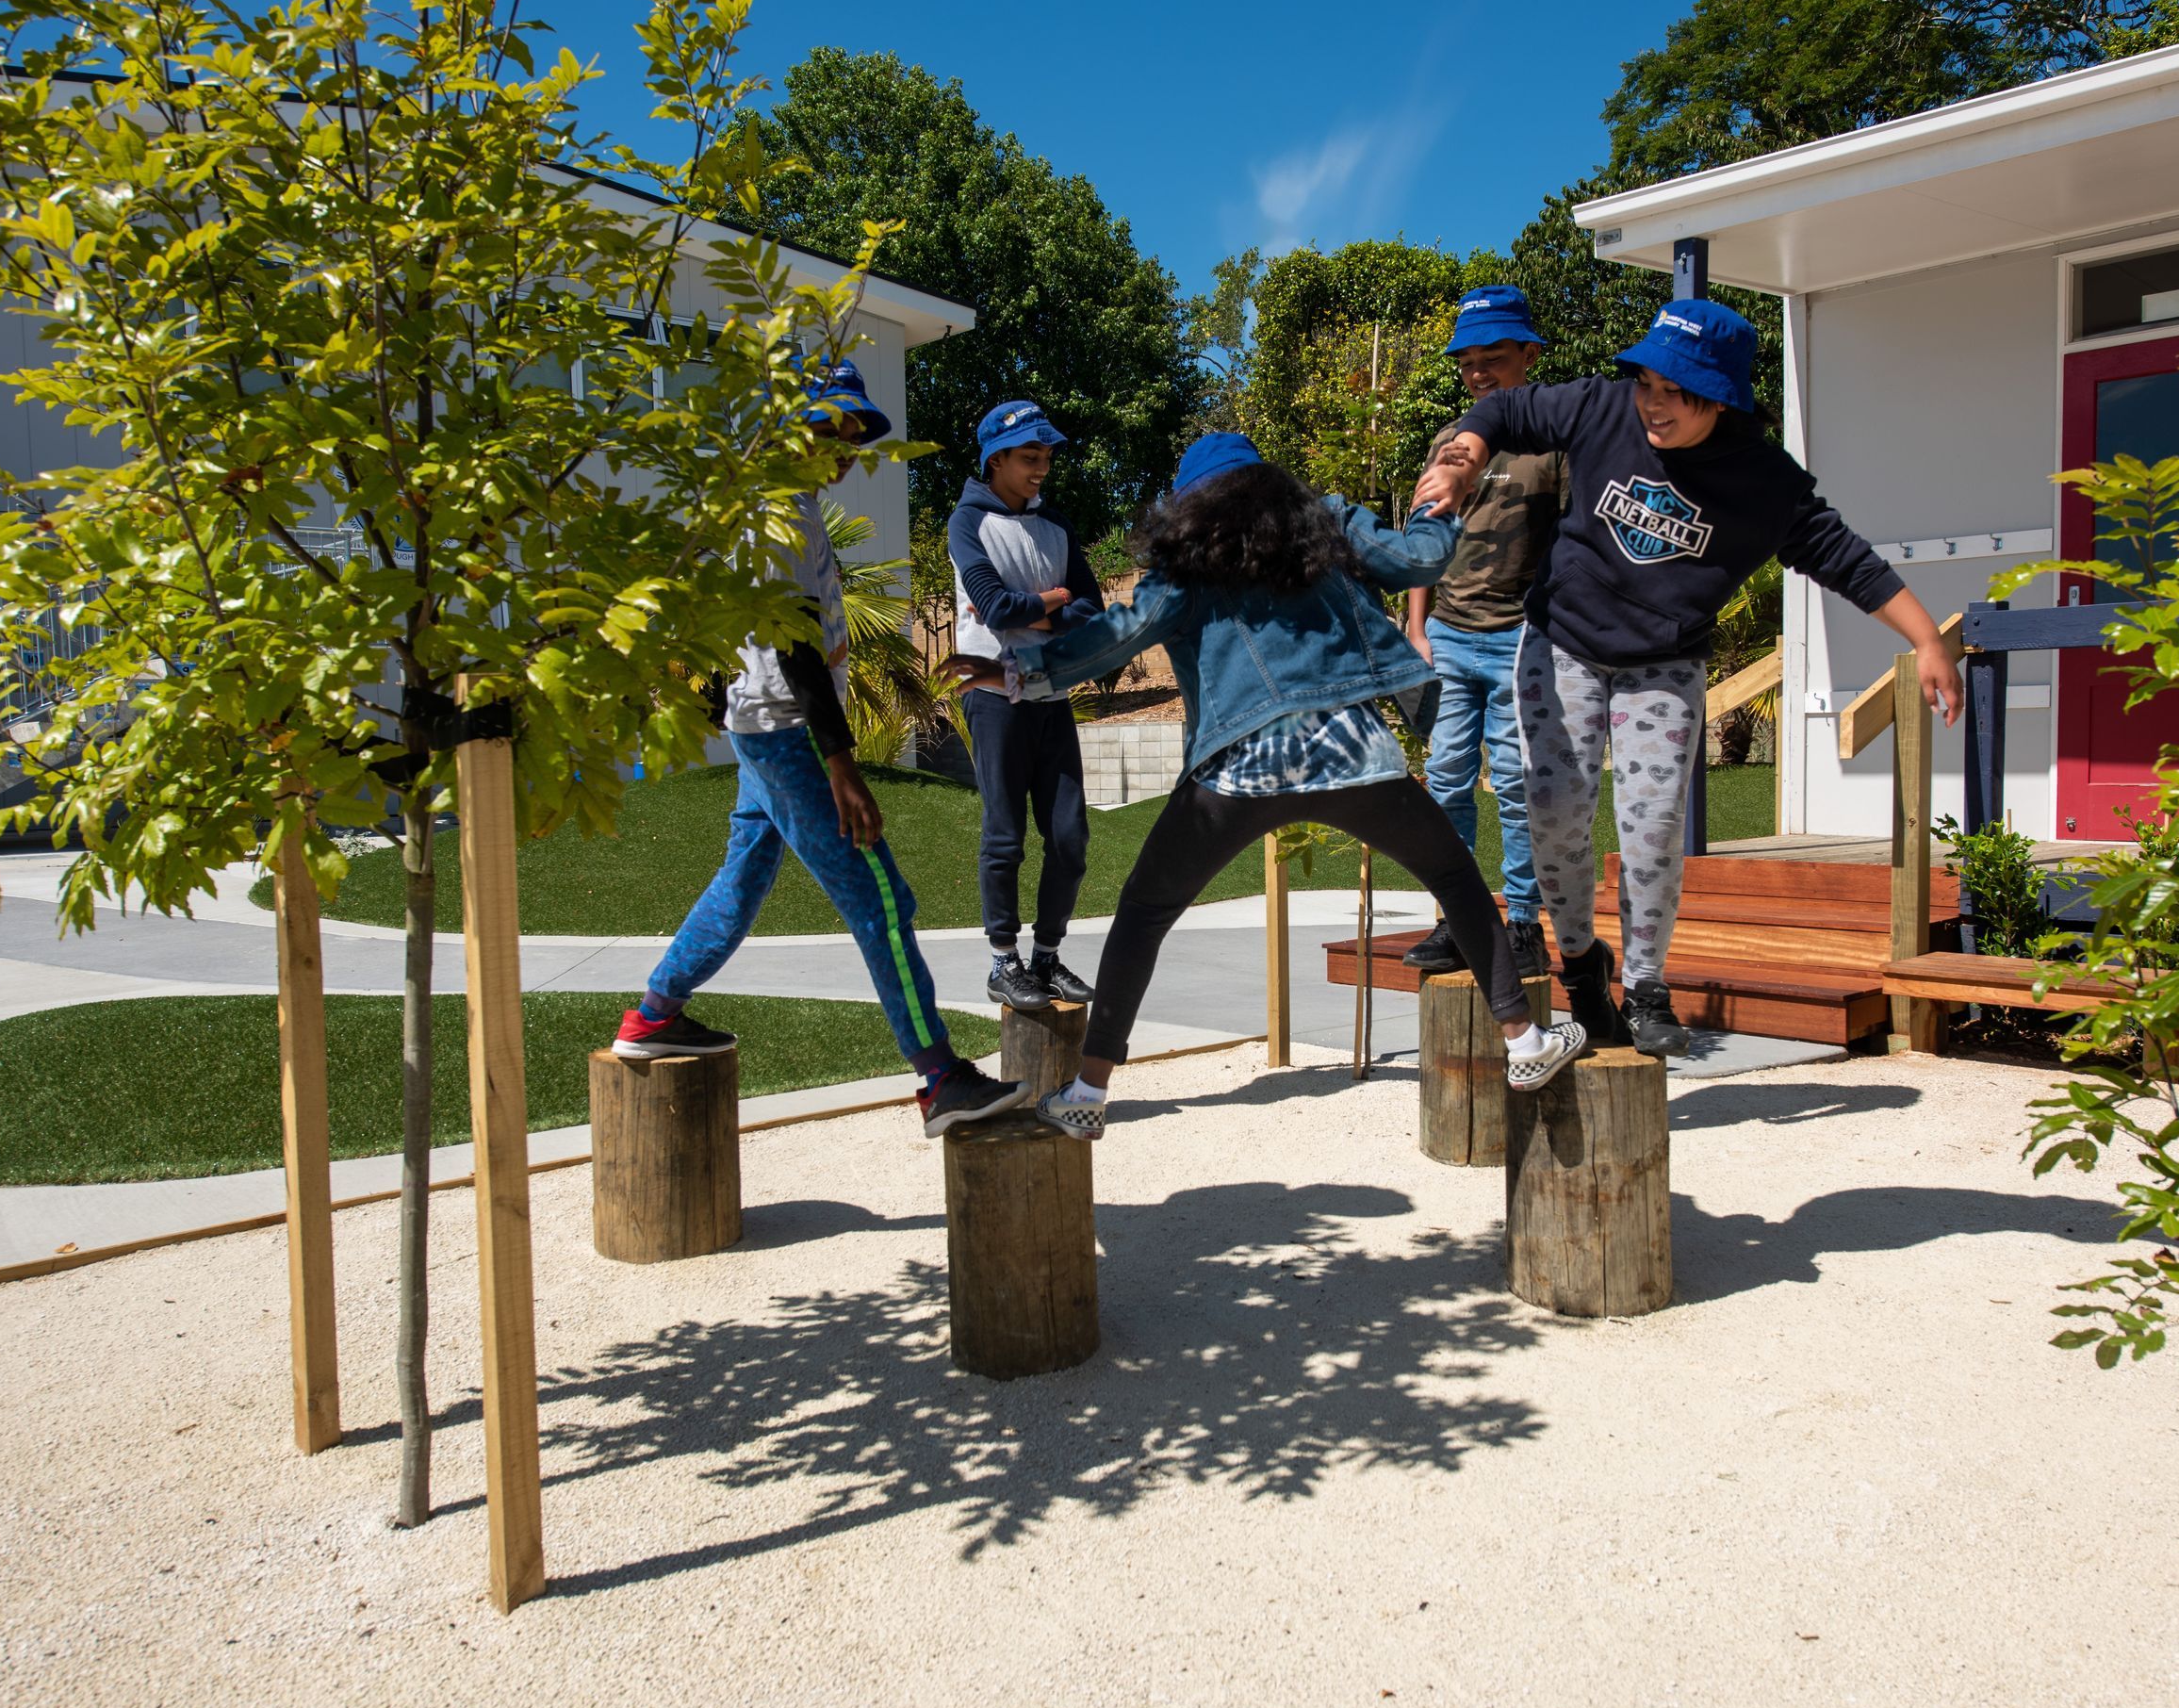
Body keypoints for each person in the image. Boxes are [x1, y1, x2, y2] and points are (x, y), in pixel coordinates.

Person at [948, 433, 1589, 1139]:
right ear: (1271, 483)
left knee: (1142, 914)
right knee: (1453, 876)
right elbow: (1421, 559)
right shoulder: (1328, 525)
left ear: (1188, 505)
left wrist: (1015, 675)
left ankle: (1088, 1091)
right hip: (1353, 755)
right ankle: (1524, 1043)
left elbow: (1114, 635)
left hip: (1238, 768)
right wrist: (1441, 500)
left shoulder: (1183, 566)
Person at [1430, 300, 1960, 1058]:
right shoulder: (1603, 408)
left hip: (1662, 662)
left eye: (1674, 392)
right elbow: (1508, 407)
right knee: (1552, 805)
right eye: (1646, 382)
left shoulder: (1763, 481)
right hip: (1564, 642)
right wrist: (1464, 455)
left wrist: (1927, 640)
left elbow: (1848, 560)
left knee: (1650, 826)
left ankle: (1645, 981)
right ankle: (1581, 964)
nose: (1652, 403)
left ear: (1720, 396)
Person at [612, 359, 1025, 1138]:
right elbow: (795, 646)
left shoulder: (767, 506)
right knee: (881, 902)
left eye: (855, 432)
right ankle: (939, 1078)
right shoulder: (780, 515)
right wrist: (841, 766)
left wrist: (719, 700)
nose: (845, 447)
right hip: (788, 734)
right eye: (832, 427)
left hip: (762, 725)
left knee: (741, 883)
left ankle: (652, 1016)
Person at [1399, 285, 1563, 982]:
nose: (1477, 373)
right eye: (1466, 362)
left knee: (1521, 788)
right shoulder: (1450, 441)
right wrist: (1415, 626)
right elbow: (1422, 539)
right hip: (1450, 639)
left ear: (1529, 354)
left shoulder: (1557, 440)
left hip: (1523, 638)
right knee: (1445, 783)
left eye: (1493, 358)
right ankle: (1458, 920)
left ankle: (1522, 924)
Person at [948, 400, 1103, 1013]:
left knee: (1070, 837)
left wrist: (1045, 603)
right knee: (1005, 835)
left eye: (1046, 457)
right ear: (996, 459)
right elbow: (994, 607)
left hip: (1051, 695)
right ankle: (1002, 962)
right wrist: (1058, 600)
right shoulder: (967, 522)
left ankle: (1046, 958)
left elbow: (1093, 612)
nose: (1042, 468)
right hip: (993, 698)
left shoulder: (1056, 525)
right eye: (1030, 457)